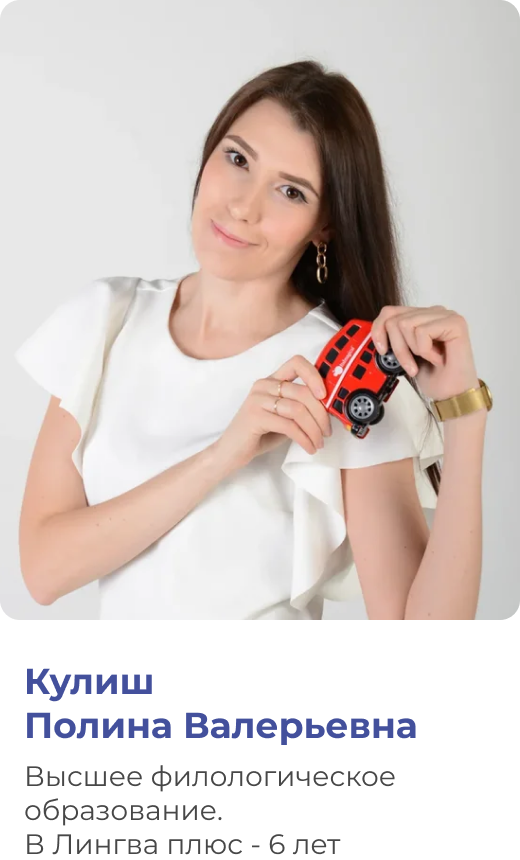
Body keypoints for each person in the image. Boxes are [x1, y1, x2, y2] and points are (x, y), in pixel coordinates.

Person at [15, 60, 446, 620]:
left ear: (325, 225)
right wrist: (222, 455)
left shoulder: (341, 370)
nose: (243, 206)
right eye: (238, 159)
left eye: (290, 191)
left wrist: (468, 414)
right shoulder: (108, 320)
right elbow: (44, 571)